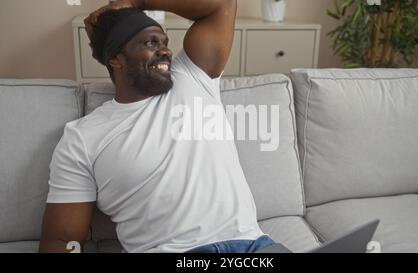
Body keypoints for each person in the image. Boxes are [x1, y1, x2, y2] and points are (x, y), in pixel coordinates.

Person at [38, 0, 276, 253]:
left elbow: (222, 4)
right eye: (150, 43)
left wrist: (137, 2)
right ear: (116, 59)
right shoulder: (83, 138)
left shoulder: (193, 77)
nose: (166, 52)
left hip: (255, 248)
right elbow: (61, 240)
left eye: (164, 43)